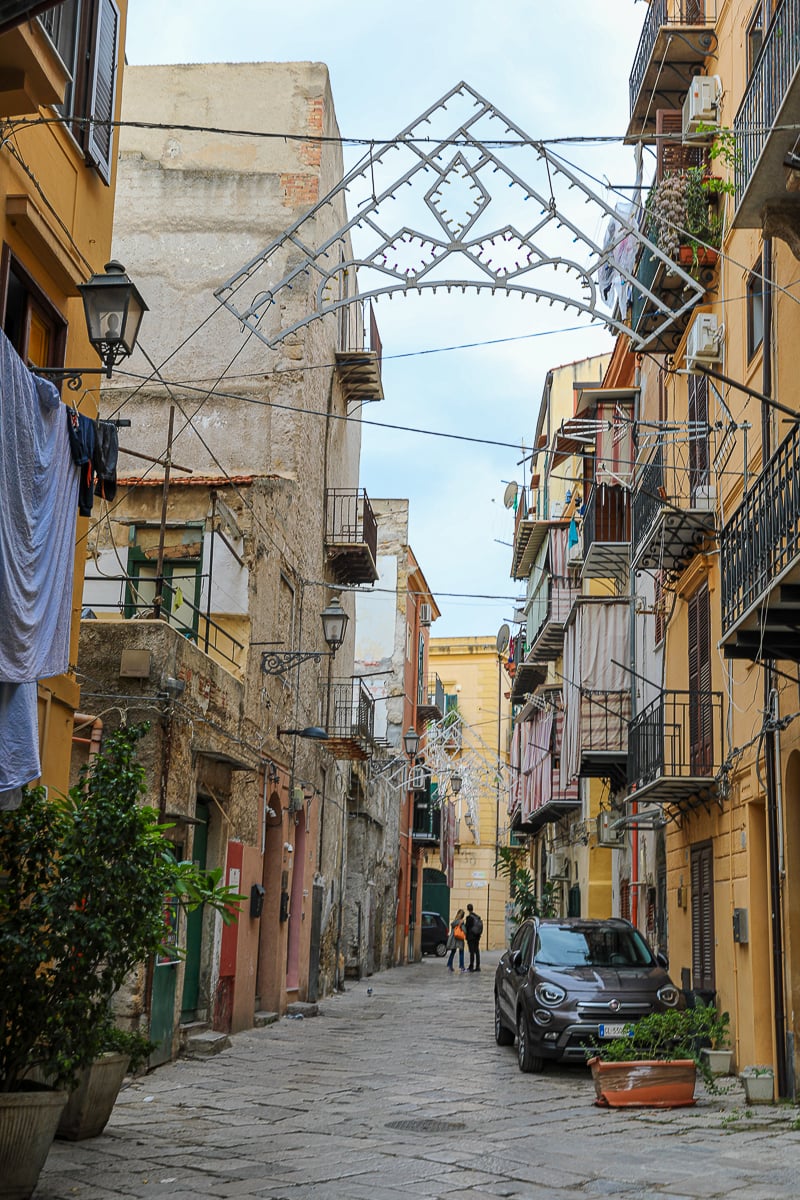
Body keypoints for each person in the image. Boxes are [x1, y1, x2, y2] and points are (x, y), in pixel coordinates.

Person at [465, 902, 482, 972]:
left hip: (471, 936)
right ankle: (478, 966)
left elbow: (467, 927)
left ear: (467, 909)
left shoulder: (469, 918)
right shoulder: (477, 917)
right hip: (477, 936)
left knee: (472, 952)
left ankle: (471, 966)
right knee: (477, 951)